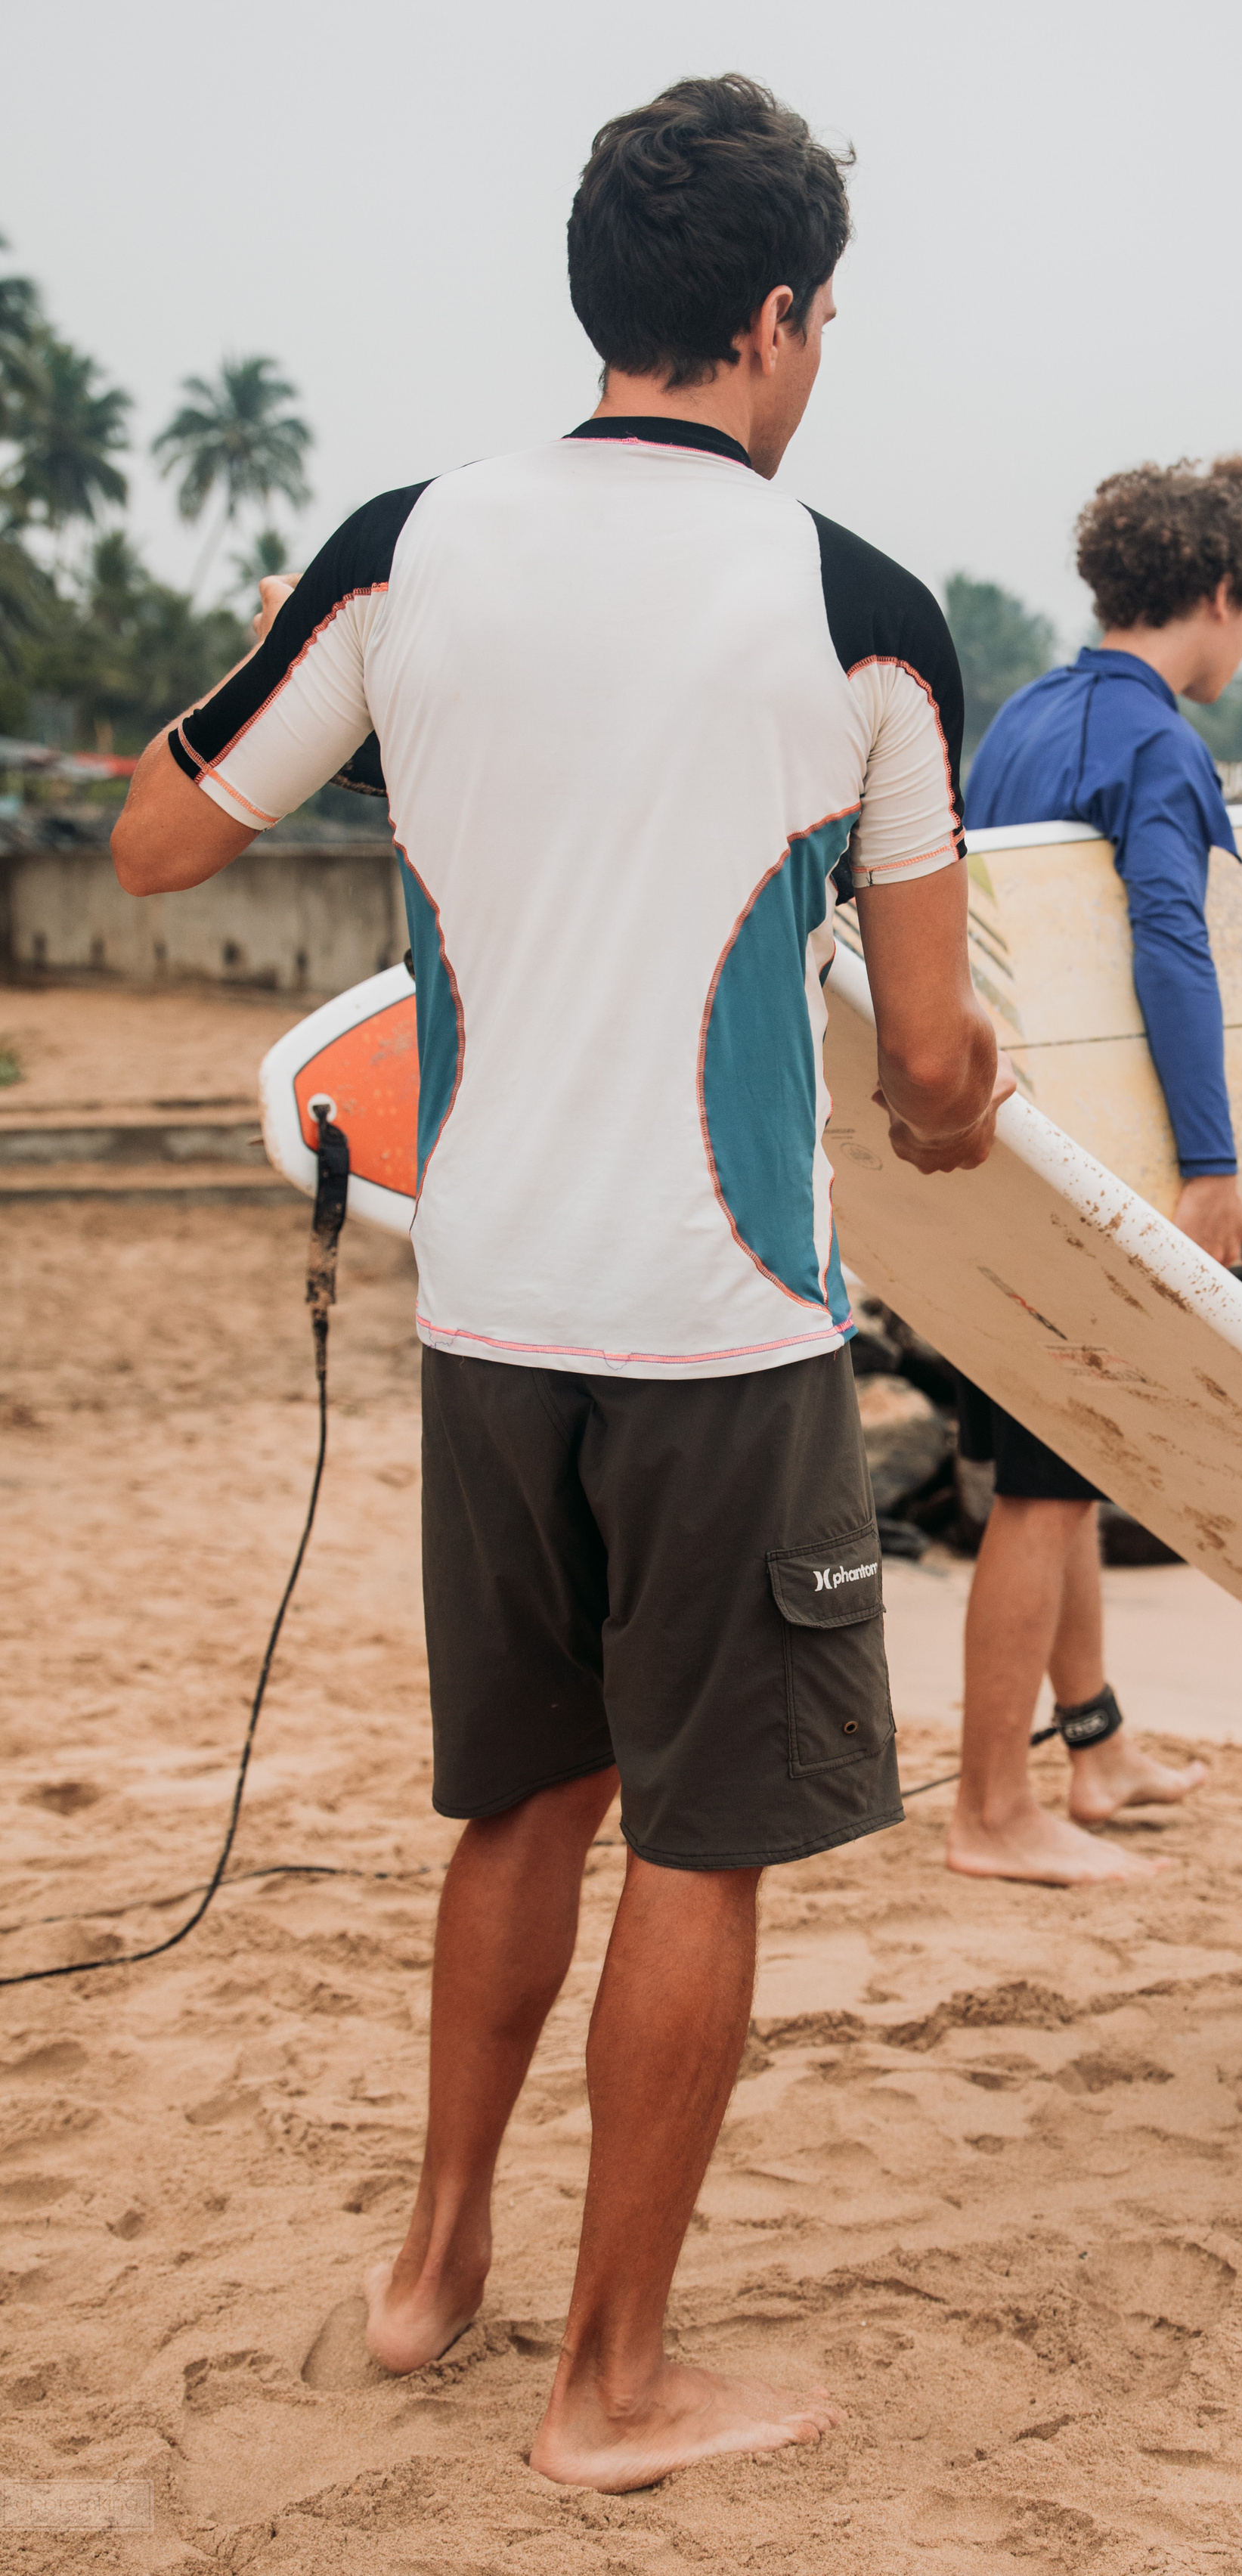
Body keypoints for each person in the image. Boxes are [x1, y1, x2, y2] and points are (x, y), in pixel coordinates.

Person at [112, 76, 1005, 2493]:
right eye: (825, 317)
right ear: (775, 316)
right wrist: (965, 1082)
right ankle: (612, 2388)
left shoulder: (410, 555)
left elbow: (164, 836)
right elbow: (928, 1070)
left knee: (520, 1802)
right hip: (722, 1332)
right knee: (696, 1843)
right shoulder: (864, 615)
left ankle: (433, 2271)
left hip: (488, 1304)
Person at [944, 454, 1242, 1887]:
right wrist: (1209, 1166)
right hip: (1080, 1174)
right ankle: (987, 1811)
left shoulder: (1028, 716)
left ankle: (1090, 1750)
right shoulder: (1157, 744)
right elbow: (1170, 938)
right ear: (1217, 595)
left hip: (985, 1148)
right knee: (1046, 1478)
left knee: (1064, 1460)